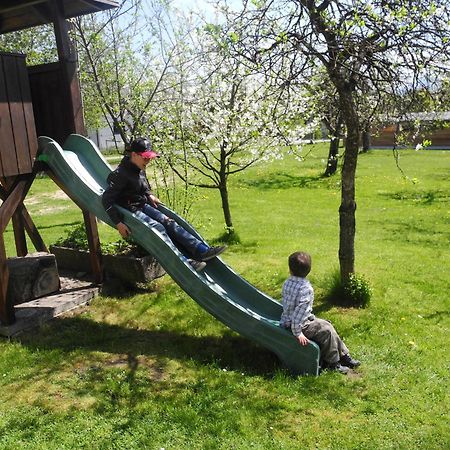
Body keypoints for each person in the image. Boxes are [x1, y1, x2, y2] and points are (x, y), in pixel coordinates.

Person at [102, 137, 226, 271]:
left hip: (142, 205)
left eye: (149, 157)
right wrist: (118, 223)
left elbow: (143, 185)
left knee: (168, 221)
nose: (148, 160)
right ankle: (184, 261)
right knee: (158, 228)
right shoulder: (121, 174)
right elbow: (106, 199)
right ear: (134, 155)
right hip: (131, 211)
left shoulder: (139, 167)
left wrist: (149, 194)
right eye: (145, 158)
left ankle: (201, 250)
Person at [280, 251, 360, 374]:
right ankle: (333, 363)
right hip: (298, 325)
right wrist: (298, 333)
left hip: (289, 320)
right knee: (327, 330)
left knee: (326, 324)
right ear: (308, 270)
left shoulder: (287, 283)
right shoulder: (305, 289)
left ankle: (344, 356)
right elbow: (298, 314)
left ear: (290, 269)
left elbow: (291, 306)